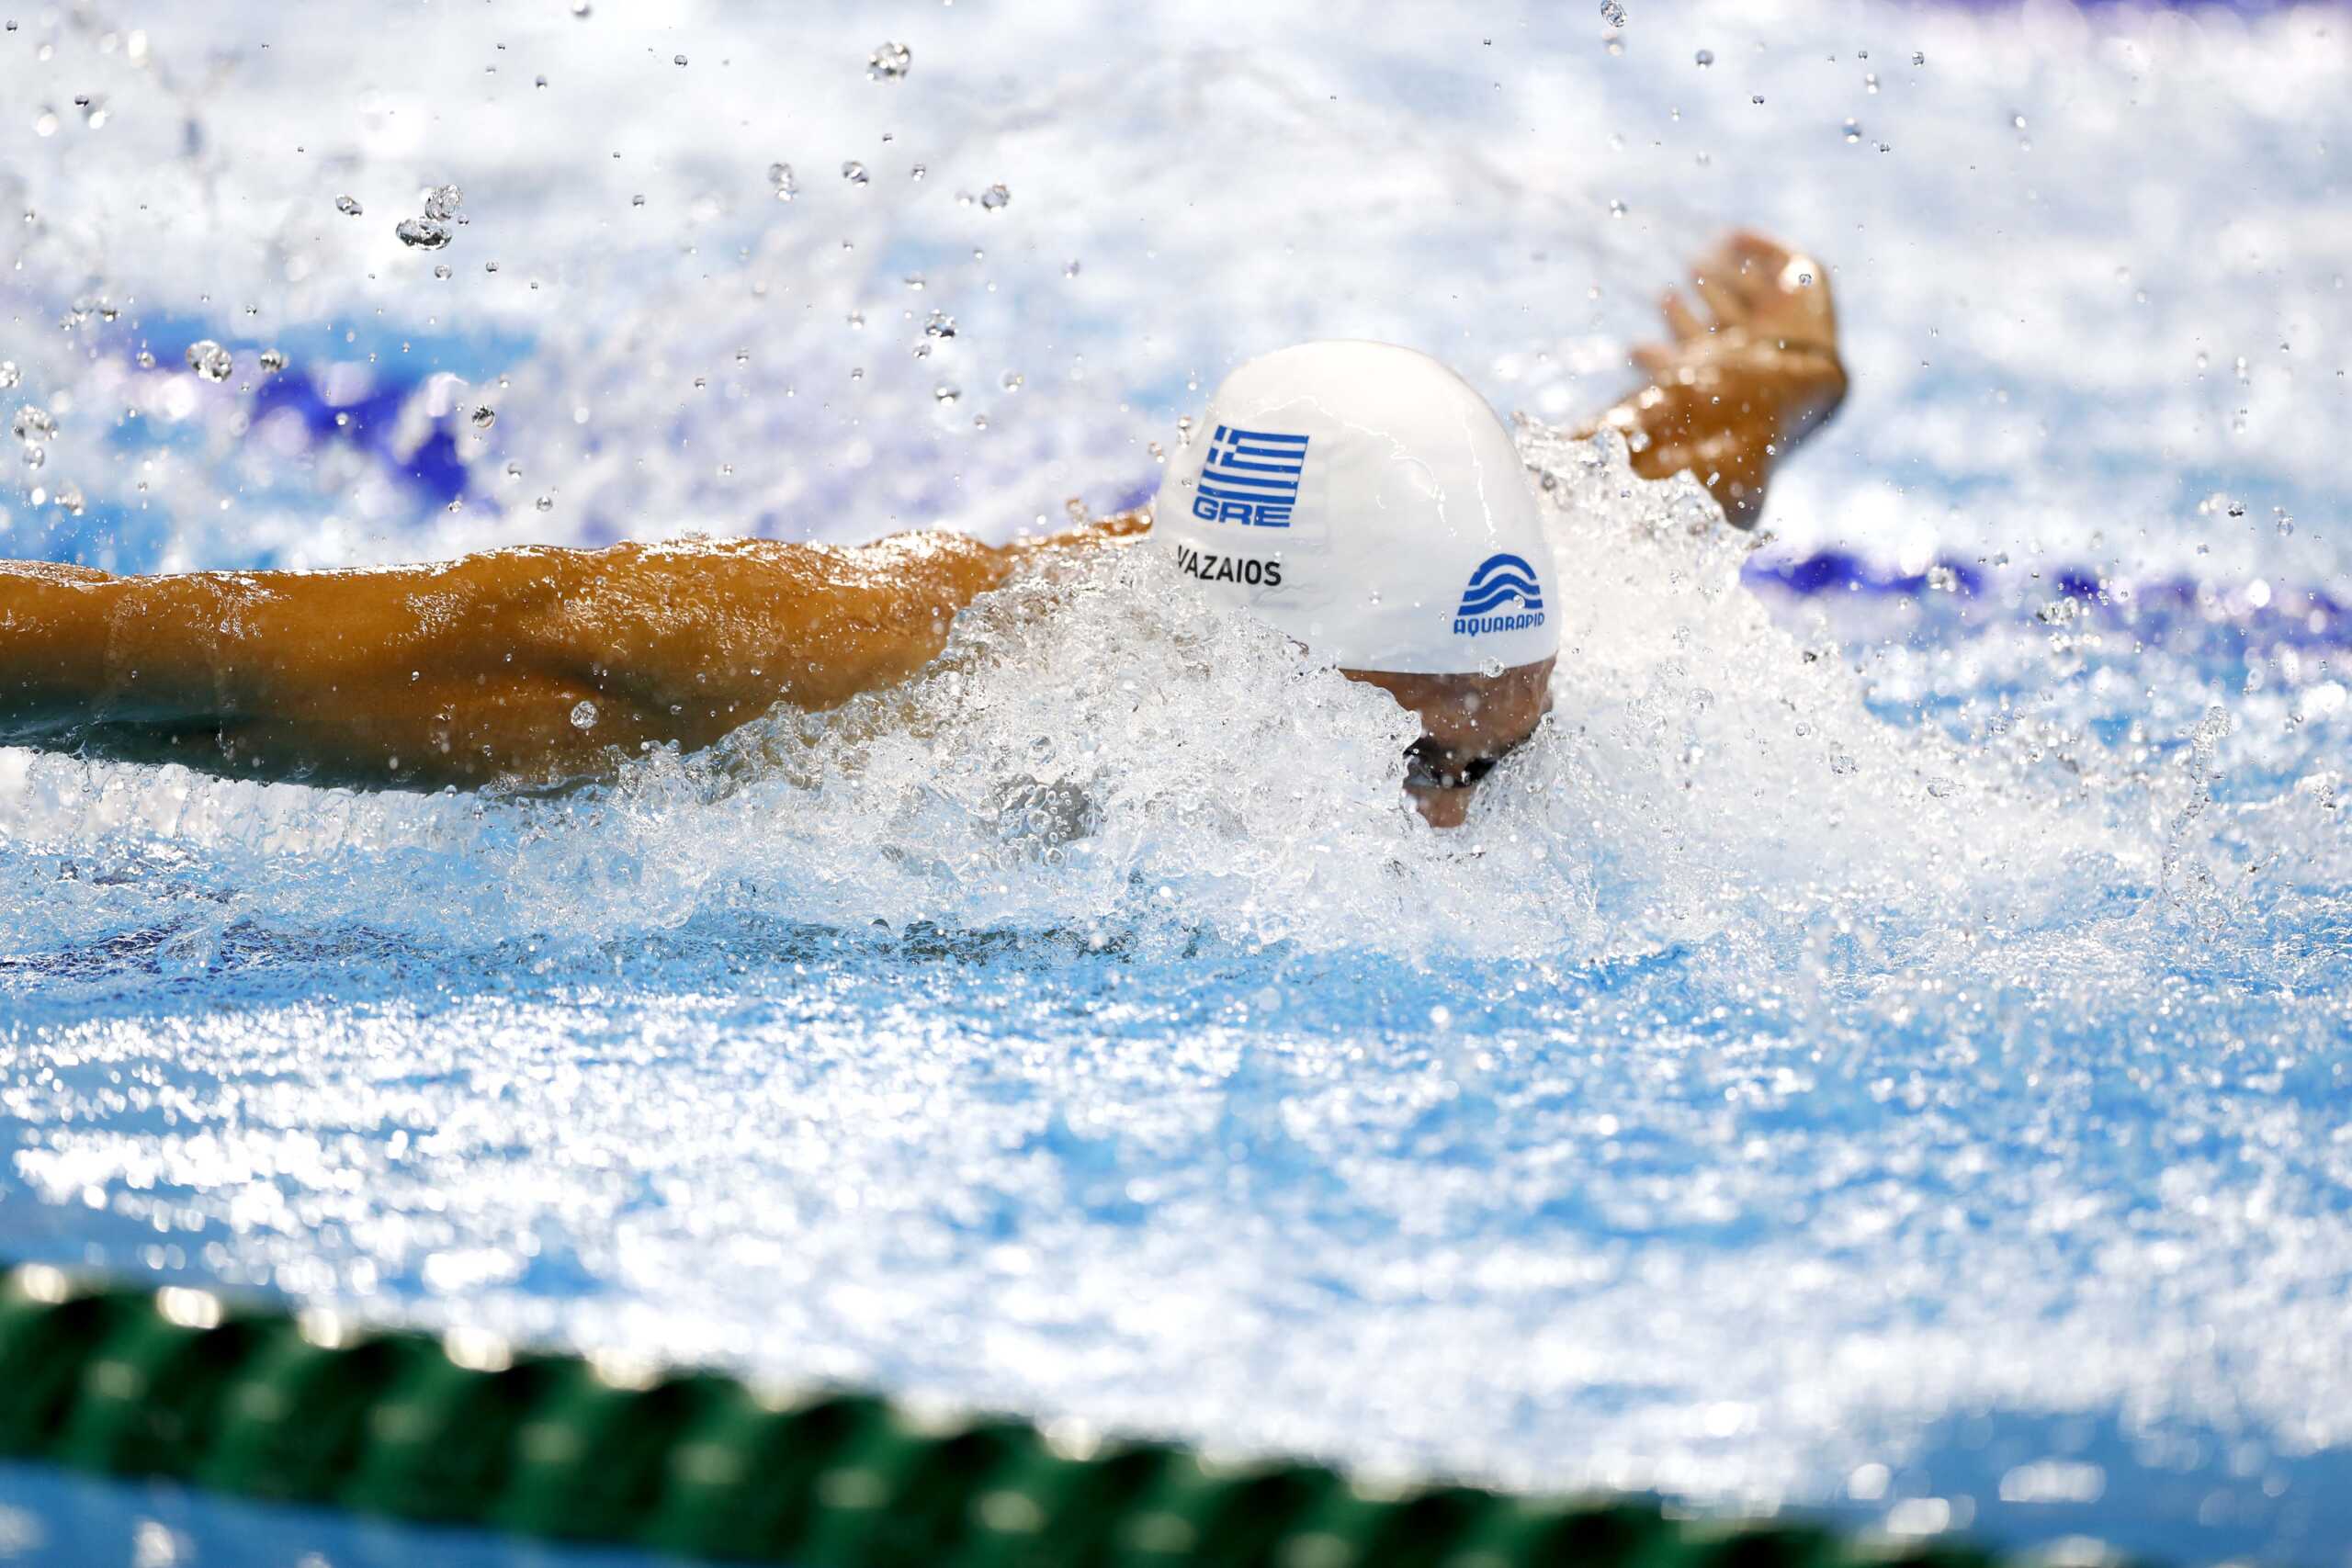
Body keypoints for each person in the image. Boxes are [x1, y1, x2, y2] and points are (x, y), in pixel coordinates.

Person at [0, 231, 1845, 828]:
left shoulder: (1555, 586)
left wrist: (1775, 346)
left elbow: (1705, 437)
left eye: (1502, 753)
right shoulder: (875, 674)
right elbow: (181, 666)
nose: (1463, 815)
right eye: (1421, 763)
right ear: (1240, 643)